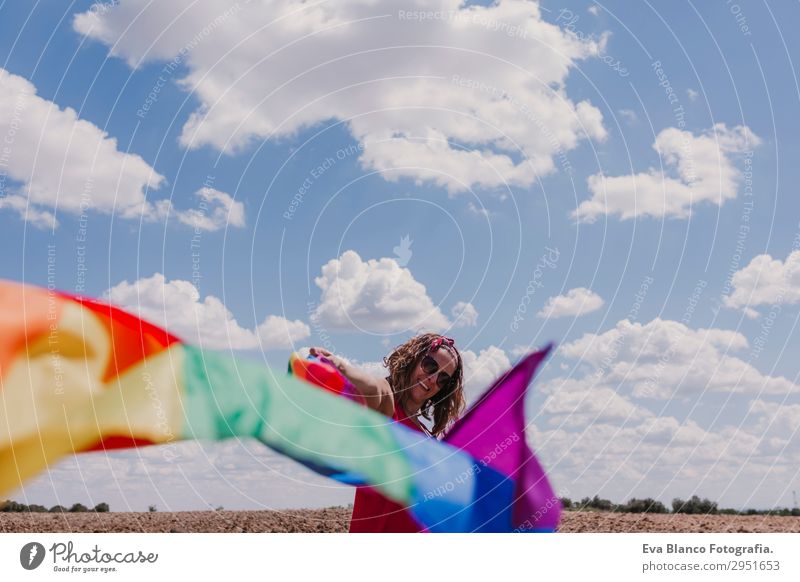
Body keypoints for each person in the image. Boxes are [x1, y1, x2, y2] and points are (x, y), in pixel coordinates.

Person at [309, 332, 465, 532]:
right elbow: (373, 388)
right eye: (430, 366)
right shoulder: (388, 406)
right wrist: (340, 367)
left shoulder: (427, 437)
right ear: (413, 359)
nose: (433, 378)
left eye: (443, 378)